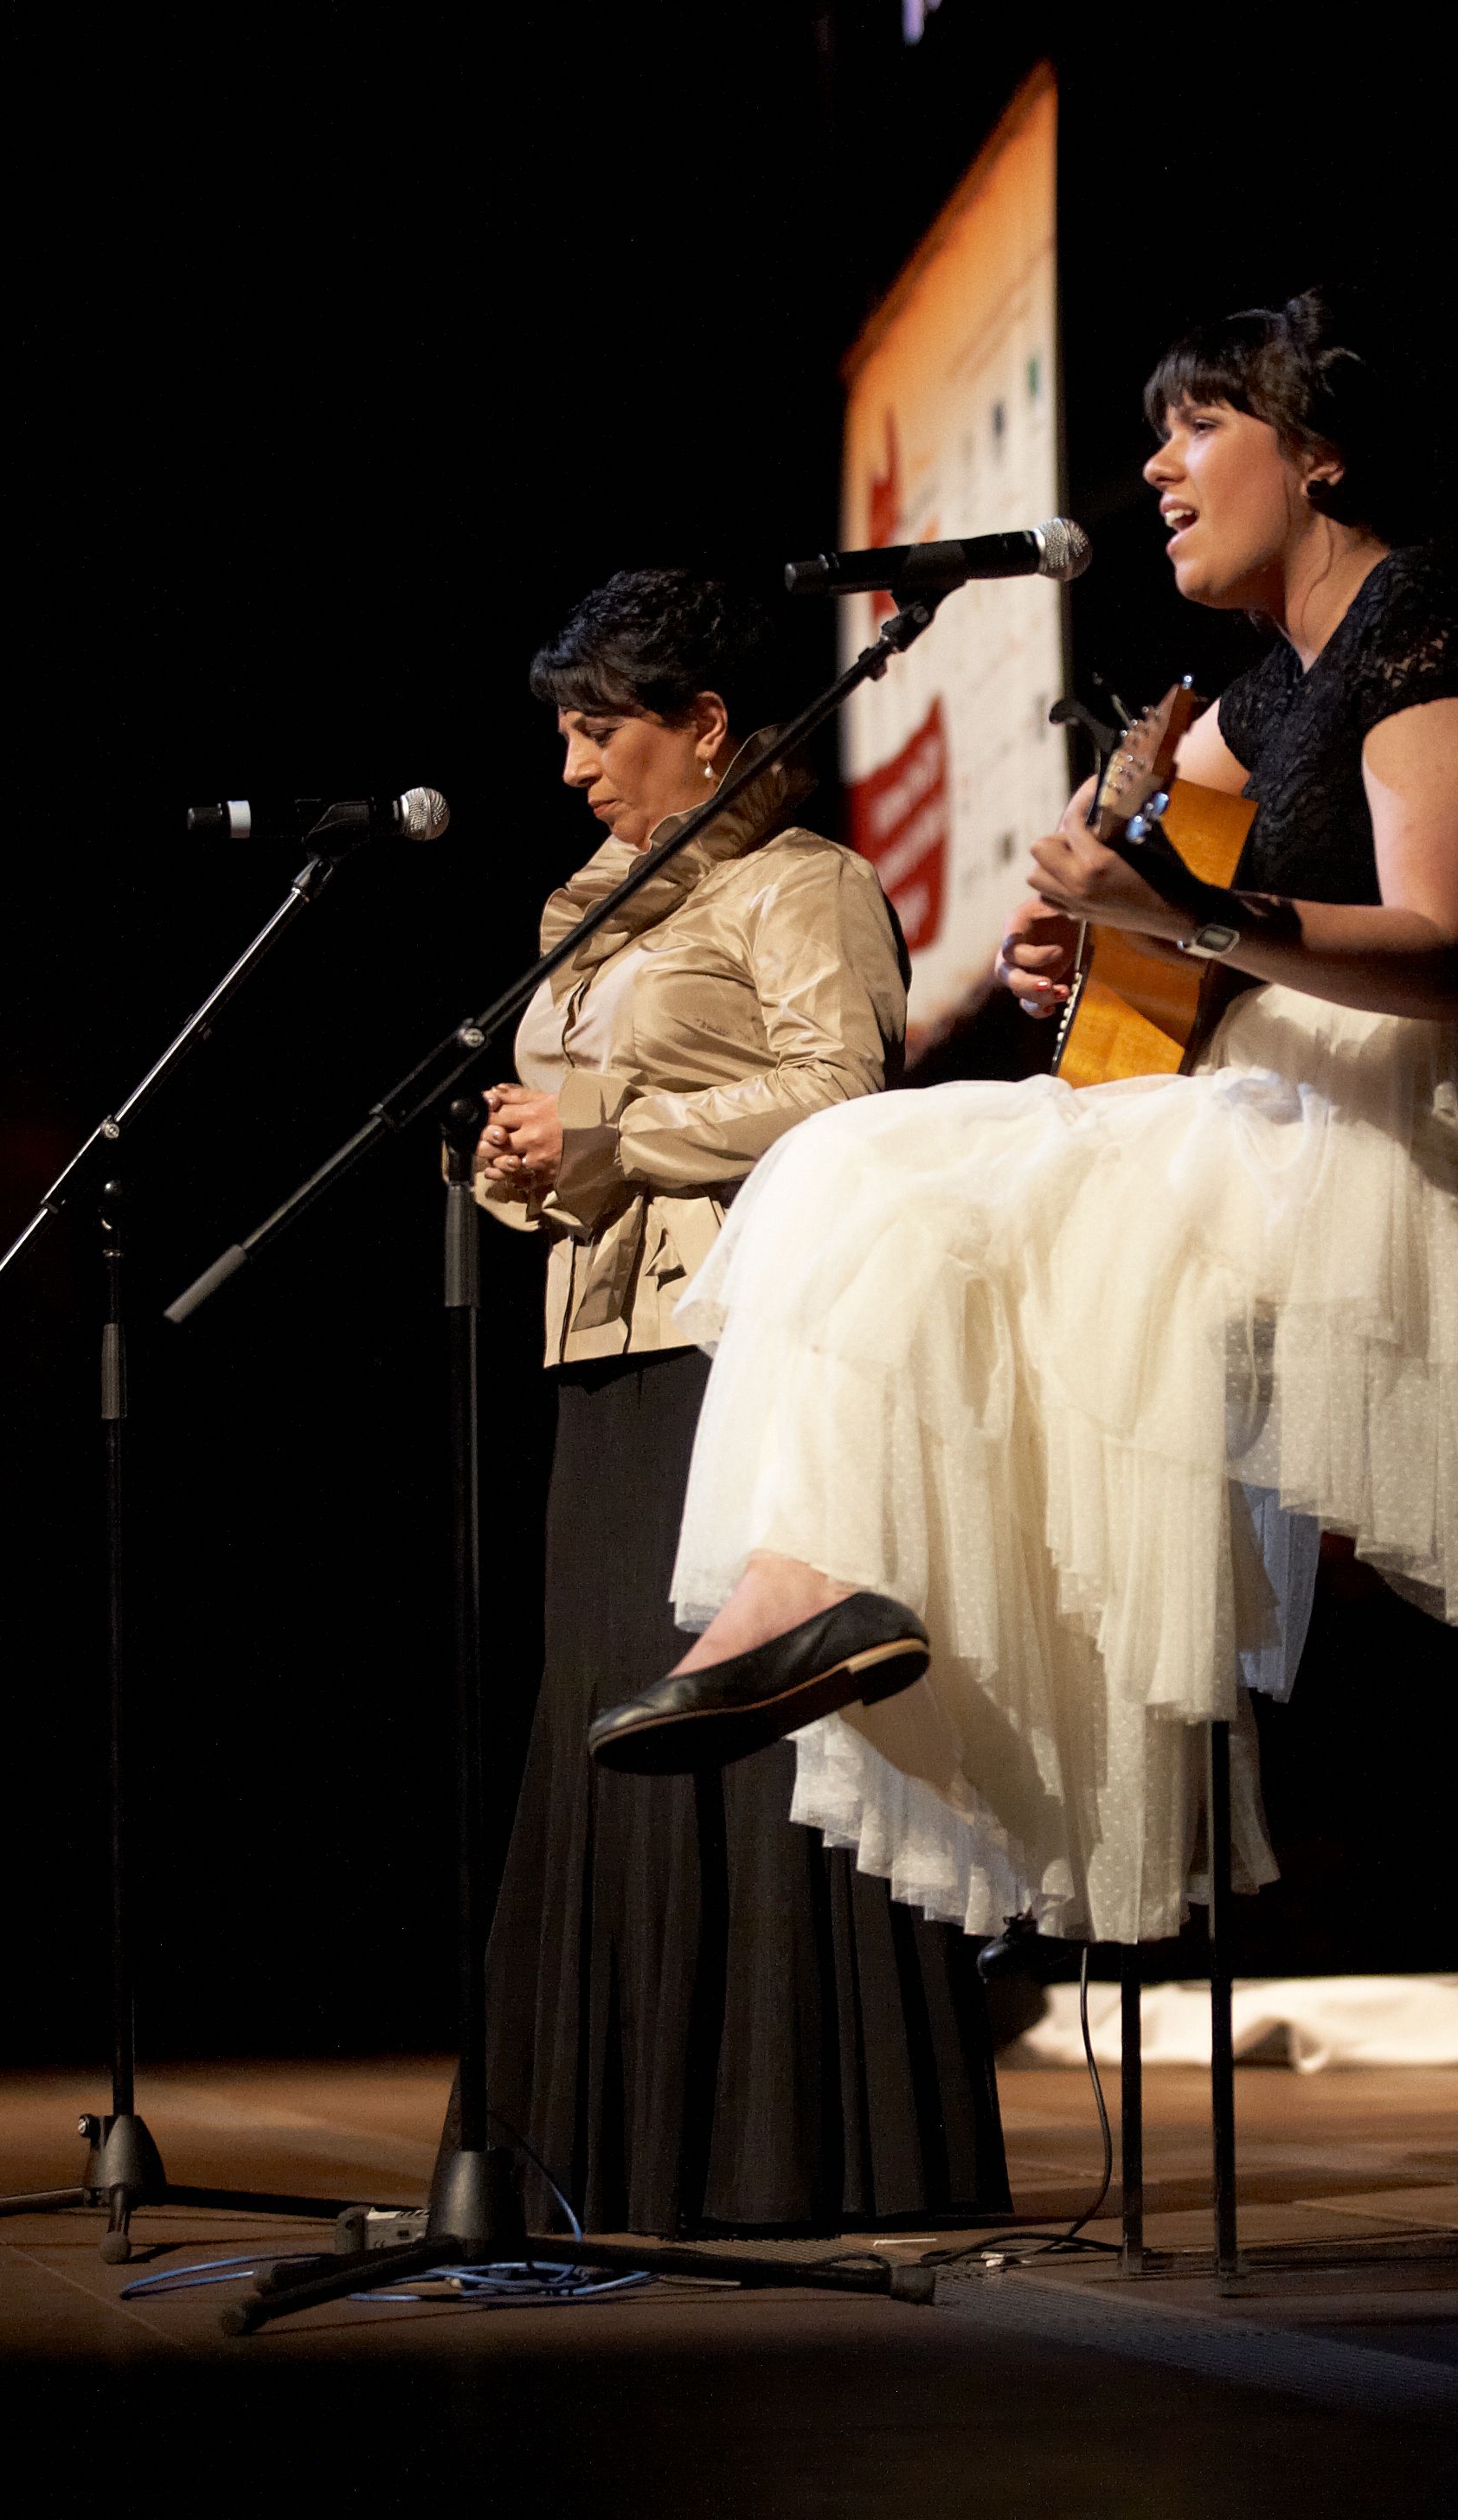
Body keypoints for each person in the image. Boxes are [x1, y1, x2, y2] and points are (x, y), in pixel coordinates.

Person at [587, 295, 1458, 1948]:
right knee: (861, 1159)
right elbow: (1133, 873)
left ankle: (911, 1624)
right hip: (1261, 1095)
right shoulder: (1250, 694)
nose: (1155, 465)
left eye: (1202, 423)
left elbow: (1443, 943)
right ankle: (819, 1586)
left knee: (1007, 1226)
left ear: (1322, 454)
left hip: (1412, 1117)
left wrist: (1170, 916)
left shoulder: (1417, 622)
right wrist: (1079, 944)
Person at [459, 568, 1008, 2236]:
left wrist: (617, 1137)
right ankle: (612, 2153)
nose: (570, 765)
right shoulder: (583, 911)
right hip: (599, 1346)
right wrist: (518, 1163)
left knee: (751, 1728)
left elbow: (849, 1091)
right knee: (606, 1728)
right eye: (562, 729)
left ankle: (808, 2151)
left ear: (705, 728)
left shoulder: (803, 884)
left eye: (597, 727)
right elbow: (575, 1134)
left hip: (744, 1347)